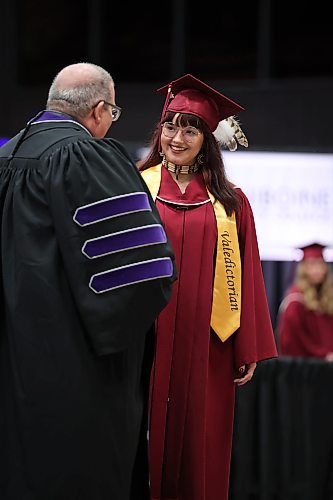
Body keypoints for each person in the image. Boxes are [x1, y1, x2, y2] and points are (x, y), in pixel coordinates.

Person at [0, 62, 177, 500]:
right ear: (100, 110)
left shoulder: (5, 157)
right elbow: (140, 273)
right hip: (70, 369)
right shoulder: (87, 157)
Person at [137, 73, 278, 500]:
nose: (176, 138)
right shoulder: (135, 187)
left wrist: (247, 344)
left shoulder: (229, 202)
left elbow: (247, 274)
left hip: (209, 343)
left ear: (206, 139)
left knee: (202, 445)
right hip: (144, 340)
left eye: (189, 128)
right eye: (170, 125)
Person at [277, 243, 333, 360]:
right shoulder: (295, 301)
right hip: (307, 368)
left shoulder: (327, 297)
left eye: (320, 264)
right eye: (312, 265)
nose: (317, 270)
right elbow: (294, 340)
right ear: (304, 269)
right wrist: (323, 354)